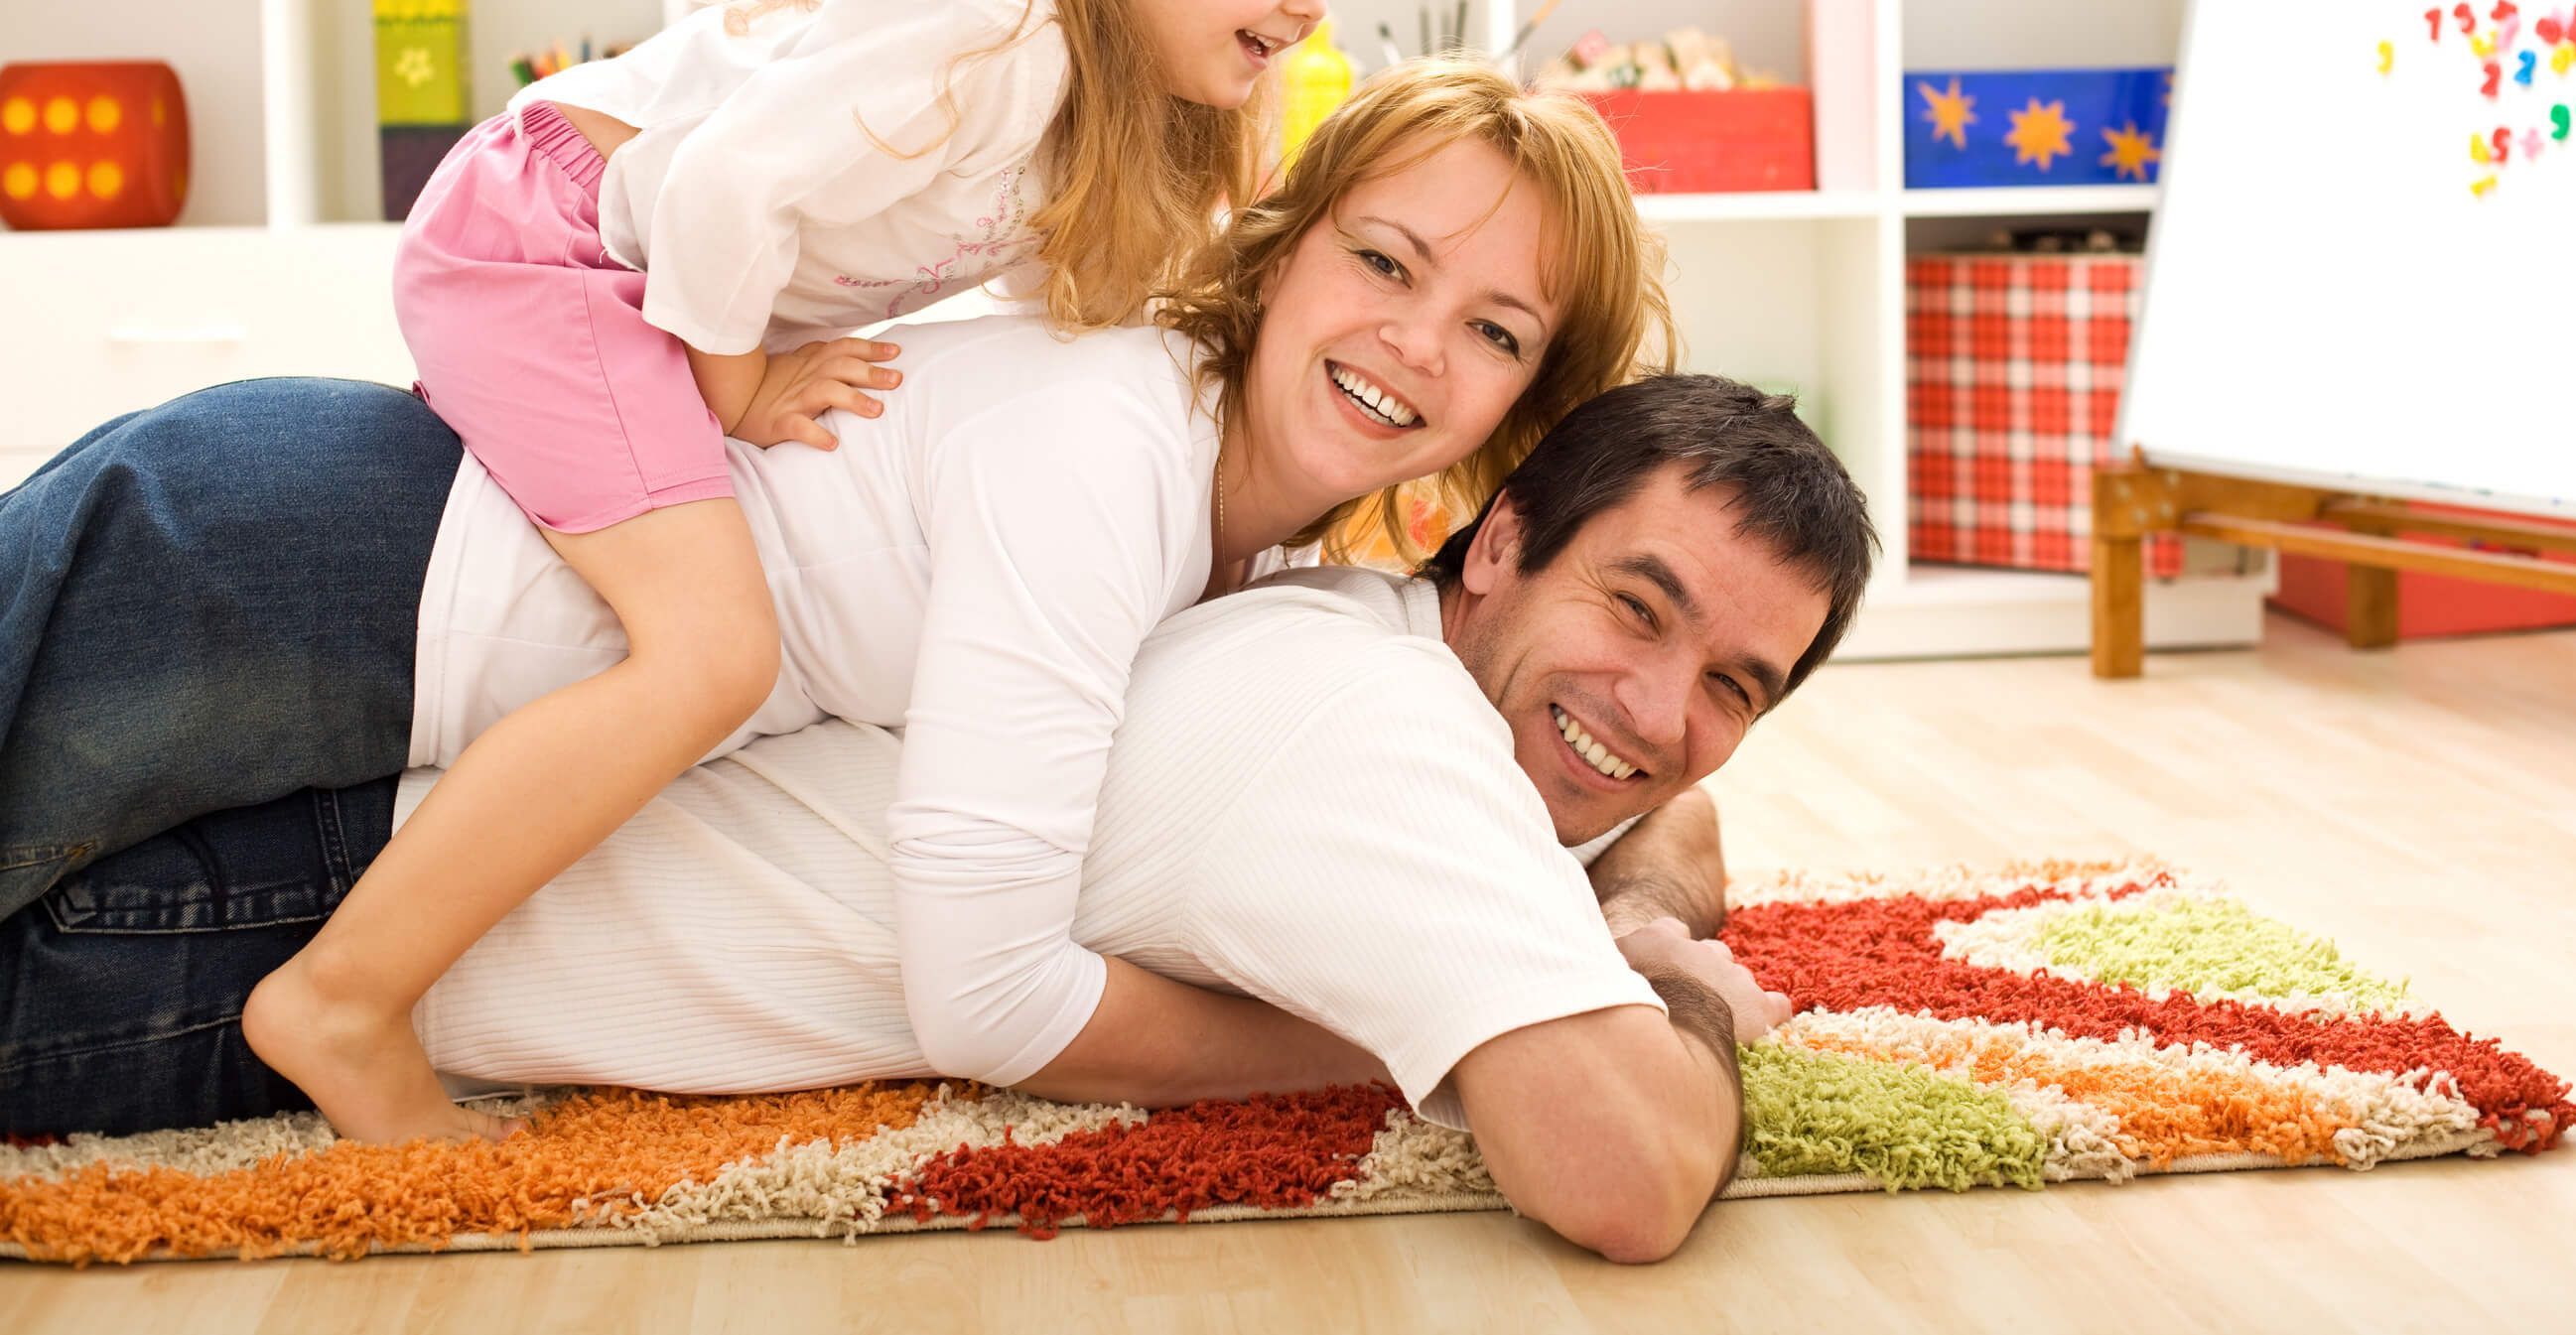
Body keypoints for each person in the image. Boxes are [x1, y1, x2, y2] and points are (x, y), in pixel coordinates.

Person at [1, 58, 1669, 1144]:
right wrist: (1378, 1033)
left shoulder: (1264, 558)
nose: (1413, 343)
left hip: (373, 628)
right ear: (1282, 247)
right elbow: (986, 992)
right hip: (307, 556)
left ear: (1518, 408)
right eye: (1383, 263)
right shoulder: (1111, 443)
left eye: (1495, 330)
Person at [0, 374, 1875, 1264]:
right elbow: (1625, 1176)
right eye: (1636, 609)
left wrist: (1637, 867)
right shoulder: (1378, 746)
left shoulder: (1336, 621)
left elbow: (1623, 809)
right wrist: (1664, 974)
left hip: (349, 788)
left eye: (1735, 685)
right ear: (1495, 547)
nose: (1658, 710)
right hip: (241, 904)